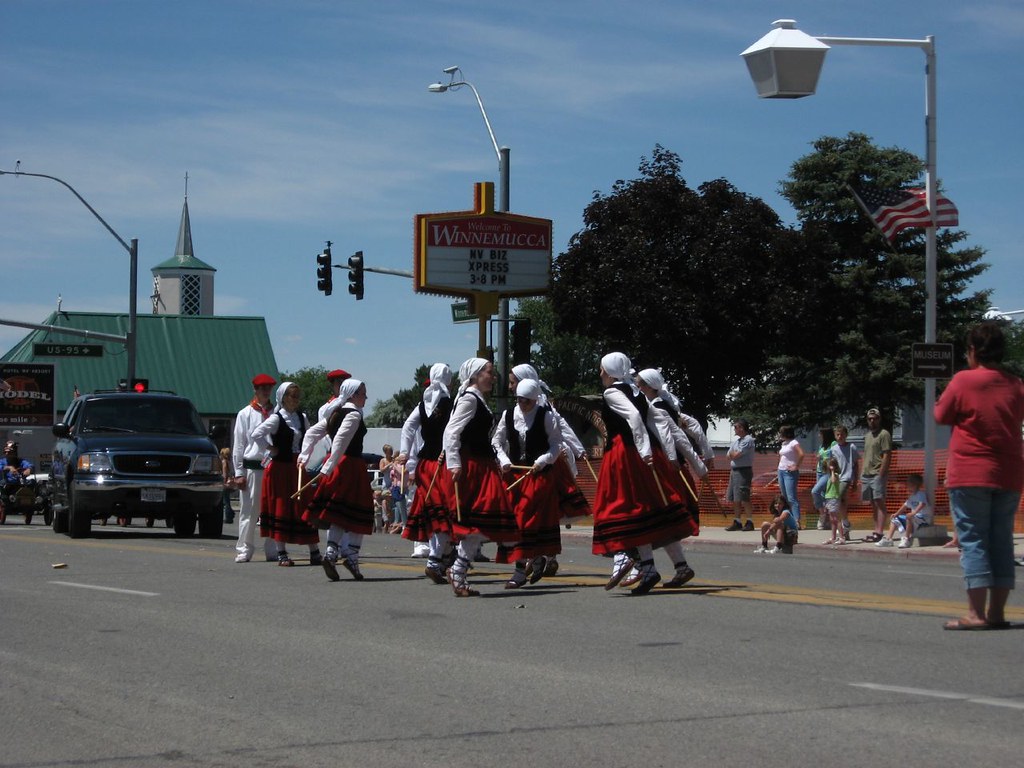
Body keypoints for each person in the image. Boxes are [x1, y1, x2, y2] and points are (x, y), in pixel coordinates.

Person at [934, 321, 1024, 630]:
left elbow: (941, 415)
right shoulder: (1015, 384)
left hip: (970, 470)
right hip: (1009, 471)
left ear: (973, 351)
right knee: (1001, 541)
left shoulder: (963, 381)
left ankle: (976, 614)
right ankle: (997, 613)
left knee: (973, 540)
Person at [591, 353, 691, 595]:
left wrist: (645, 448)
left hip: (623, 454)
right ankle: (652, 568)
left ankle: (625, 557)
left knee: (618, 507)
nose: (600, 373)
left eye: (602, 369)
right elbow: (656, 420)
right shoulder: (635, 390)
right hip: (637, 454)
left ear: (611, 371)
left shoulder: (612, 392)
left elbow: (635, 418)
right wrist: (664, 452)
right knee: (643, 511)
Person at [442, 357, 518, 597]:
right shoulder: (469, 399)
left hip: (482, 465)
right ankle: (458, 569)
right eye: (489, 373)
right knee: (480, 520)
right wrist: (453, 463)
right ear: (475, 375)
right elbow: (451, 432)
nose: (493, 377)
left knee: (484, 521)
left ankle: (459, 569)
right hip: (473, 466)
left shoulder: (477, 399)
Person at [508, 363, 591, 578]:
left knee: (544, 510)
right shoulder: (517, 410)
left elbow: (562, 429)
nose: (510, 387)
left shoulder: (543, 407)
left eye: (513, 382)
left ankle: (543, 555)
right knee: (542, 512)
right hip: (528, 464)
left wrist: (579, 450)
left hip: (548, 464)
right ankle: (544, 555)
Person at [629, 367, 704, 588]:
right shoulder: (663, 404)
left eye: (640, 384)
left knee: (646, 517)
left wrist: (689, 462)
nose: (637, 387)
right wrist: (700, 464)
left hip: (657, 466)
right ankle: (679, 567)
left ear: (650, 387)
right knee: (661, 521)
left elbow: (675, 435)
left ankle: (642, 567)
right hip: (661, 464)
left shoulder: (656, 407)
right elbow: (689, 431)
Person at [492, 378, 564, 588]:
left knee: (526, 520)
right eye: (519, 400)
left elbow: (556, 443)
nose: (522, 404)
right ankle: (538, 557)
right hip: (515, 475)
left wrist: (543, 460)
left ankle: (520, 570)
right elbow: (496, 441)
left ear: (534, 400)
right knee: (518, 521)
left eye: (526, 401)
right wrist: (504, 460)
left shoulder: (545, 416)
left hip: (538, 476)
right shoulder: (508, 415)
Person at [300, 378, 373, 581]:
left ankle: (334, 555)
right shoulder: (353, 415)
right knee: (359, 512)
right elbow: (341, 440)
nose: (365, 397)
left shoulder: (337, 413)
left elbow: (312, 432)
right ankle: (348, 555)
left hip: (340, 464)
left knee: (340, 512)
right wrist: (328, 466)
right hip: (349, 466)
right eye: (362, 393)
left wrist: (304, 455)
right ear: (352, 394)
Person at [248, 382, 322, 567]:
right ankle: (281, 552)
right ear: (283, 398)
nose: (296, 400)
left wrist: (306, 454)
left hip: (297, 466)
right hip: (280, 468)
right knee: (281, 506)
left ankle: (314, 550)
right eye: (292, 396)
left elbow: (310, 437)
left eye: (298, 396)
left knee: (304, 505)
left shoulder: (301, 417)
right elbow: (256, 434)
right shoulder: (276, 418)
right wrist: (271, 448)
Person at [397, 363, 455, 583]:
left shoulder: (423, 404)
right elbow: (453, 431)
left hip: (424, 465)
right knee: (443, 513)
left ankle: (443, 557)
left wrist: (405, 452)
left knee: (433, 513)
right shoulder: (450, 403)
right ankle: (435, 560)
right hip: (443, 464)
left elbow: (408, 427)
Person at [230, 373, 279, 563]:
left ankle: (272, 548)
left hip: (272, 466)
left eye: (269, 388)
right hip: (253, 467)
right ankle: (244, 548)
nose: (266, 391)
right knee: (249, 511)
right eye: (263, 388)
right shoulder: (245, 413)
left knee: (272, 509)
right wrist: (239, 472)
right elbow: (239, 445)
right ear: (255, 390)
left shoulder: (276, 414)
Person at [860, 408, 893, 543]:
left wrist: (881, 473)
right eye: (870, 419)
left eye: (875, 418)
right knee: (872, 503)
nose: (872, 421)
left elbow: (887, 454)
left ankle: (880, 532)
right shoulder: (867, 436)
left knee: (879, 501)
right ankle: (876, 530)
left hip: (877, 473)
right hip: (866, 473)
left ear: (879, 419)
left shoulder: (884, 434)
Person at [876, 473, 932, 549]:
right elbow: (905, 505)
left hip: (923, 518)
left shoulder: (921, 494)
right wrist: (896, 513)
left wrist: (913, 513)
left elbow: (922, 504)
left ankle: (906, 539)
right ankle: (888, 539)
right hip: (914, 518)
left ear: (914, 485)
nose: (907, 487)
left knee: (909, 516)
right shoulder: (911, 496)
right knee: (895, 518)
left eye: (909, 485)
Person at [725, 419, 755, 531]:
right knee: (735, 498)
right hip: (734, 471)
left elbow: (737, 454)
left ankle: (750, 521)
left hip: (743, 471)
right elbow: (728, 455)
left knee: (744, 497)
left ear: (742, 428)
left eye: (736, 427)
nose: (734, 429)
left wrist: (734, 454)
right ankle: (737, 521)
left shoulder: (748, 440)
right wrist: (733, 454)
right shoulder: (736, 442)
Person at [830, 425, 858, 543]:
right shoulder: (834, 449)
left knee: (838, 498)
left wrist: (855, 481)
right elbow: (833, 463)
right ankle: (845, 525)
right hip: (837, 477)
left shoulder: (851, 447)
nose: (840, 437)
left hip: (847, 477)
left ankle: (843, 526)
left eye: (842, 434)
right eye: (837, 434)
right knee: (841, 502)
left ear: (846, 435)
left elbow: (856, 464)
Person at [776, 425, 804, 528]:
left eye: (781, 433)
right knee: (784, 497)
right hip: (781, 470)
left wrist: (796, 465)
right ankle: (788, 519)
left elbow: (801, 454)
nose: (780, 435)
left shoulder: (794, 442)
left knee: (792, 497)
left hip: (789, 472)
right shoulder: (784, 443)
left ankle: (797, 521)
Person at [810, 427, 837, 530]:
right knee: (823, 495)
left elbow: (835, 456)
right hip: (819, 471)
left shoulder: (833, 444)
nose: (819, 436)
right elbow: (820, 454)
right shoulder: (822, 445)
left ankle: (822, 515)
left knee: (815, 491)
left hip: (828, 472)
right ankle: (827, 520)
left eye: (820, 434)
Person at [821, 457, 843, 545]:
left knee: (836, 519)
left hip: (834, 498)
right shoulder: (829, 476)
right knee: (832, 519)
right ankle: (833, 537)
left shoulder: (836, 475)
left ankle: (842, 537)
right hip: (829, 498)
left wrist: (833, 471)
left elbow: (834, 481)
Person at [219, 447, 234, 524]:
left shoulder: (224, 461)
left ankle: (229, 516)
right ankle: (230, 514)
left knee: (225, 501)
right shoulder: (229, 461)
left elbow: (224, 473)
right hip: (230, 482)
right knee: (227, 499)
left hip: (226, 482)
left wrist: (223, 482)